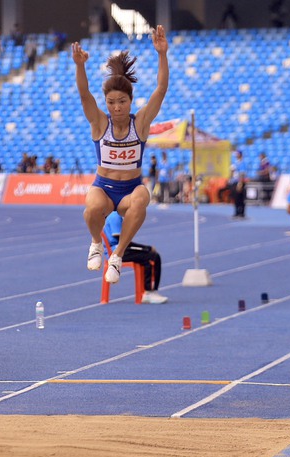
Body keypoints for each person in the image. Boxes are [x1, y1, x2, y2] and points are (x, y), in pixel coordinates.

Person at [72, 25, 169, 284]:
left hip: (130, 188)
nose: (116, 108)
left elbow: (160, 90)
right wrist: (80, 66)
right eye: (111, 103)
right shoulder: (100, 124)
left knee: (142, 198)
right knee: (90, 211)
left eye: (122, 102)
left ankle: (117, 255)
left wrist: (162, 54)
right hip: (103, 187)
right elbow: (84, 95)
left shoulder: (141, 124)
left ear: (130, 100)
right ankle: (96, 244)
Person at [103, 211, 168, 304]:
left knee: (153, 255)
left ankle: (152, 291)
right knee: (151, 256)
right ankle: (149, 292)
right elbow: (123, 242)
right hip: (118, 252)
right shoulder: (114, 217)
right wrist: (147, 248)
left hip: (118, 251)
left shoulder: (114, 216)